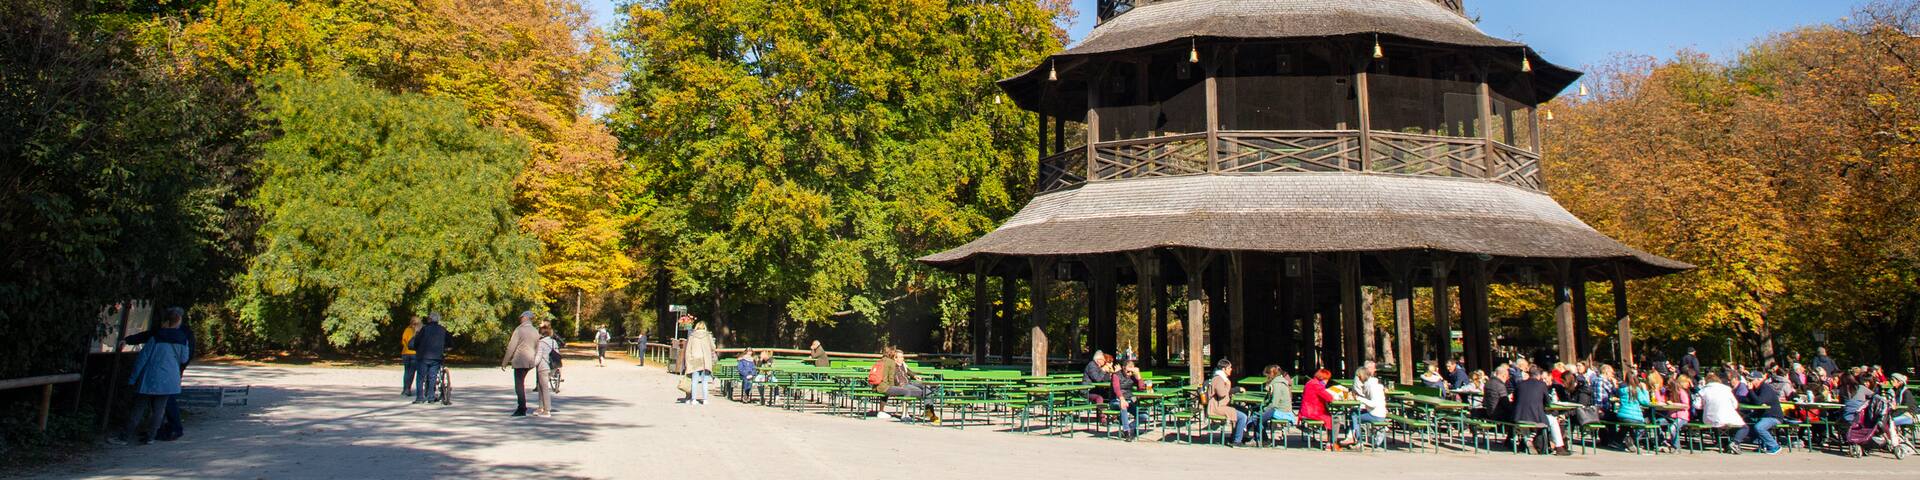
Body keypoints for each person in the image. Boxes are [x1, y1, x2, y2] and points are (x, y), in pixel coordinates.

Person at [111, 310, 191, 446]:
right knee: (159, 410)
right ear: (179, 322)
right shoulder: (183, 339)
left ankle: (124, 437)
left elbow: (142, 359)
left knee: (138, 408)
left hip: (151, 377)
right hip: (170, 379)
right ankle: (151, 437)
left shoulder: (156, 337)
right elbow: (184, 359)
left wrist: (133, 378)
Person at [1513, 368, 1570, 455]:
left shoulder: (1520, 384)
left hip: (1518, 416)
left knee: (1526, 422)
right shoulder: (1541, 385)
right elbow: (1548, 403)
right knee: (1553, 420)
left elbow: (1515, 400)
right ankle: (1559, 447)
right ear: (1539, 376)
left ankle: (1528, 440)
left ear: (1529, 375)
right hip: (1535, 417)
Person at [1205, 359, 1254, 446]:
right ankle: (1237, 441)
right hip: (1217, 407)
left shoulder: (1222, 378)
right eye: (1229, 368)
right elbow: (1222, 393)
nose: (1231, 369)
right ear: (1224, 369)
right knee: (1242, 417)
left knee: (1243, 410)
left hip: (1223, 405)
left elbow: (1225, 391)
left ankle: (1238, 435)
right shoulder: (1218, 379)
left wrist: (1237, 389)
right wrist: (1228, 384)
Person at [1694, 372, 1747, 453]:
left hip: (1709, 417)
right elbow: (1735, 404)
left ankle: (1724, 444)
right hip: (1727, 415)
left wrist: (1706, 405)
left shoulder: (1703, 391)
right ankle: (1735, 442)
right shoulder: (1726, 389)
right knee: (1744, 427)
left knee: (1718, 425)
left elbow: (1697, 405)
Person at [502, 311, 542, 416]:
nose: (520, 319)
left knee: (519, 385)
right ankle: (528, 406)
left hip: (520, 360)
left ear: (525, 318)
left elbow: (511, 347)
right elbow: (537, 347)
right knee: (521, 383)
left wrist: (505, 361)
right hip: (530, 360)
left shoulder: (519, 330)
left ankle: (522, 408)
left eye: (521, 317)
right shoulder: (535, 331)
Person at [1342, 362, 1389, 449]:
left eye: (1358, 377)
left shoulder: (1371, 386)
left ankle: (1358, 440)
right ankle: (1354, 437)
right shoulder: (1373, 384)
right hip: (1376, 412)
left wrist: (1359, 398)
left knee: (1355, 417)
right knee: (1354, 412)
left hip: (1376, 414)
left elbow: (1373, 404)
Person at [1734, 371, 1783, 454]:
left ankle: (1774, 446)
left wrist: (1750, 390)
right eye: (1748, 380)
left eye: (1751, 380)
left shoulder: (1765, 388)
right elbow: (1748, 400)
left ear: (1758, 380)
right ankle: (1760, 444)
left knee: (1759, 427)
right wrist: (1736, 397)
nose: (1749, 382)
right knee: (1744, 422)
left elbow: (1758, 402)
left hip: (1773, 416)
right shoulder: (1755, 389)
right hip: (1761, 415)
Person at [410, 313, 450, 404]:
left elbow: (417, 341)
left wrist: (415, 347)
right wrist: (445, 347)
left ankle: (420, 398)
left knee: (420, 377)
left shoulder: (424, 329)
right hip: (436, 357)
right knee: (433, 377)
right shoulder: (442, 329)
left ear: (430, 319)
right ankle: (431, 398)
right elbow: (449, 342)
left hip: (423, 357)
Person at [1110, 355, 1149, 441]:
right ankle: (1127, 432)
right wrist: (1122, 399)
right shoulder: (1116, 375)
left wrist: (1138, 376)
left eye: (1132, 370)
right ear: (1123, 368)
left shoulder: (1132, 376)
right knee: (1124, 406)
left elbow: (1141, 388)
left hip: (1128, 400)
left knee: (1144, 415)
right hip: (1116, 400)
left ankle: (1130, 427)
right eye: (1128, 370)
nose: (1130, 372)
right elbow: (1116, 389)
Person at [1300, 368, 1337, 449]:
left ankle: (1330, 442)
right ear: (1323, 378)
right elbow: (1329, 398)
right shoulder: (1317, 385)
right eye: (1327, 379)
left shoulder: (1310, 382)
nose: (1327, 381)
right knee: (1334, 419)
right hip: (1313, 412)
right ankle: (1331, 443)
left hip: (1306, 410)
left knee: (1330, 416)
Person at [683, 319, 717, 405]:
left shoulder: (692, 336)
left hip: (694, 360)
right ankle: (705, 399)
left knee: (694, 381)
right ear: (704, 327)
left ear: (696, 327)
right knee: (704, 381)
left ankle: (693, 399)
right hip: (705, 360)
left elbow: (688, 350)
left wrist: (687, 362)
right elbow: (713, 347)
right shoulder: (708, 335)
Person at [534, 324, 561, 417]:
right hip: (552, 367)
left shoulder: (541, 343)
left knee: (544, 388)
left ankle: (547, 410)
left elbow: (538, 357)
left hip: (543, 367)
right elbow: (557, 354)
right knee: (540, 386)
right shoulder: (554, 342)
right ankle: (541, 407)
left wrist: (531, 364)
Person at [1664, 374, 1693, 452]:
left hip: (1681, 416)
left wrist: (1674, 404)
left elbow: (1686, 405)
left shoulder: (1682, 392)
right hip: (1671, 416)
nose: (1666, 387)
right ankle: (1664, 442)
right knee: (1659, 422)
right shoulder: (1669, 392)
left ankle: (1676, 447)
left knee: (1673, 428)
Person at [401, 315, 421, 396]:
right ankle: (408, 389)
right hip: (414, 353)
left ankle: (405, 388)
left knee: (406, 371)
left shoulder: (407, 330)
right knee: (412, 372)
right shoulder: (419, 331)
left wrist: (406, 347)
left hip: (405, 353)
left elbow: (403, 341)